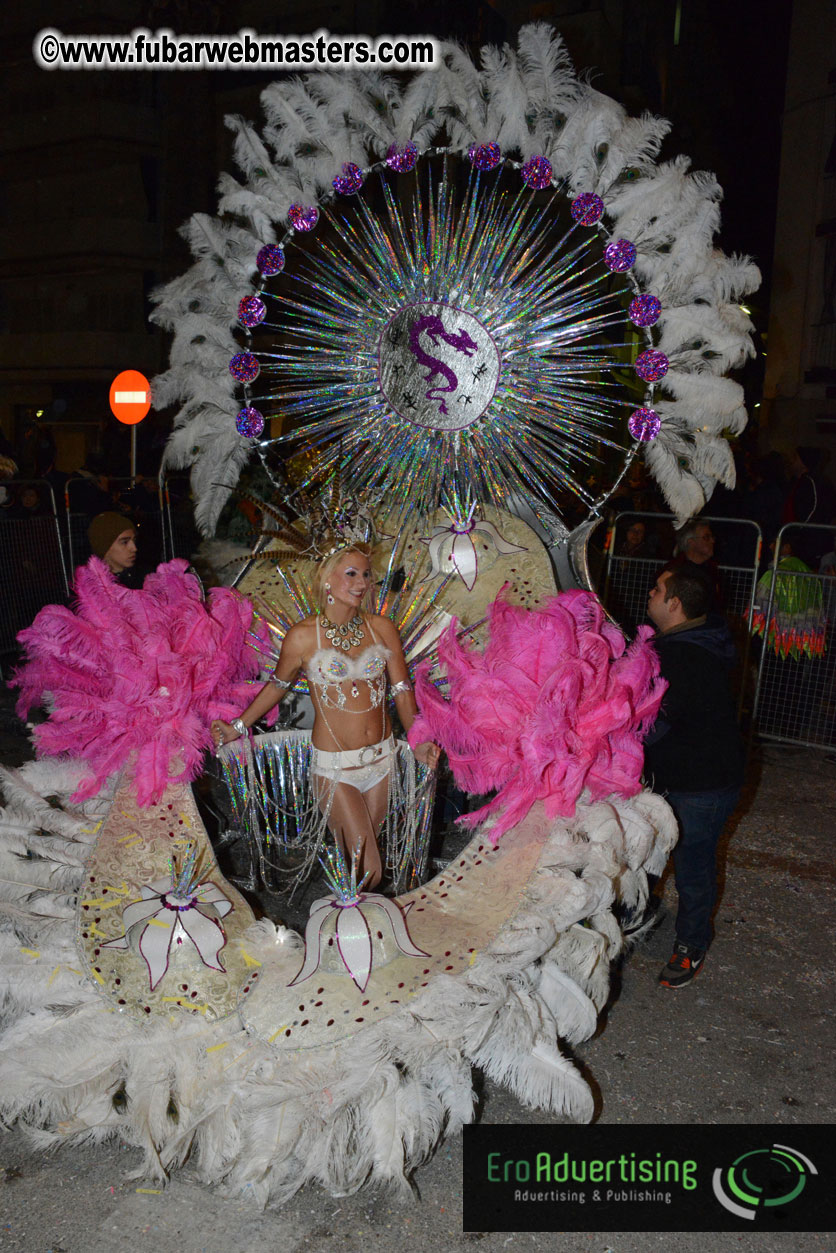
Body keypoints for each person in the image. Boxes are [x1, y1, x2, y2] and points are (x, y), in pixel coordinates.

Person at [211, 543, 439, 888]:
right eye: (351, 573)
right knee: (370, 869)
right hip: (335, 768)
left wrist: (418, 740)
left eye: (366, 574)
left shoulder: (382, 628)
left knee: (359, 863)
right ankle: (352, 928)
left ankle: (346, 929)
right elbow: (277, 685)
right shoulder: (303, 637)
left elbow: (402, 690)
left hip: (382, 760)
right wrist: (238, 727)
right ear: (327, 580)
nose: (361, 582)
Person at [644, 567, 745, 988]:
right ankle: (640, 916)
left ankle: (691, 943)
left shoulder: (684, 656)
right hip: (678, 776)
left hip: (701, 786)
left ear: (675, 605)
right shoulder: (688, 642)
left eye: (657, 589)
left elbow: (653, 725)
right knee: (648, 853)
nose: (649, 594)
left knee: (692, 866)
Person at [87, 512, 139, 582]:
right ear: (105, 547)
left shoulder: (146, 580)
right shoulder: (90, 587)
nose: (134, 548)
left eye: (134, 540)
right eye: (124, 542)